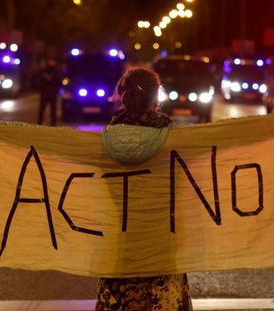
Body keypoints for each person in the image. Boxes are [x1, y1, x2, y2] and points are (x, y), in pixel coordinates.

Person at [96, 67, 193, 311]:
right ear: (155, 97)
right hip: (162, 240)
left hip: (125, 240)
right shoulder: (171, 137)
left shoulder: (109, 138)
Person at [37, 58, 62, 126]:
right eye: (50, 61)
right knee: (42, 109)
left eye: (53, 62)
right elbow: (39, 80)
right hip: (44, 93)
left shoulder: (56, 72)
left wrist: (56, 89)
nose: (51, 63)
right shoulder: (44, 71)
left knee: (53, 110)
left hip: (52, 93)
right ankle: (39, 123)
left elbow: (59, 82)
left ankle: (53, 124)